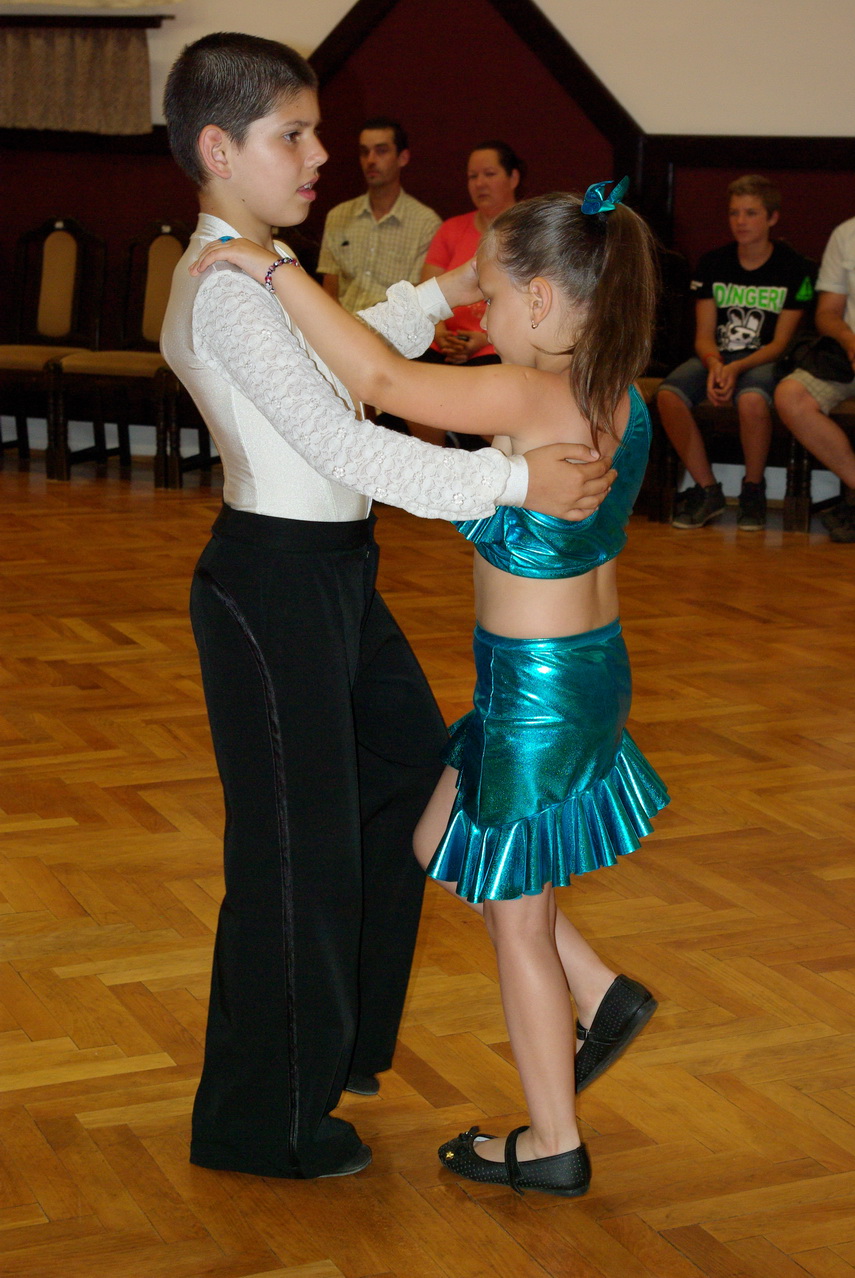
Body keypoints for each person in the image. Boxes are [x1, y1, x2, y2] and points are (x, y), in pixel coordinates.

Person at [160, 32, 617, 1183]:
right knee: (293, 852)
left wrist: (449, 289)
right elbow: (346, 440)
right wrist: (510, 480)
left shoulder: (264, 264)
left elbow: (353, 353)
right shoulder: (225, 287)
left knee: (414, 779)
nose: (321, 155)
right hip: (272, 586)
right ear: (219, 149)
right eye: (295, 135)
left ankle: (351, 1038)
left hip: (331, 581)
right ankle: (261, 1122)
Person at [657, 175, 814, 530]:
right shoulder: (714, 263)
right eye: (734, 213)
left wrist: (736, 368)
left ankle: (752, 490)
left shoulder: (794, 268)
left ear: (772, 218)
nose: (741, 221)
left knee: (752, 400)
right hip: (717, 357)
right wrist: (715, 364)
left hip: (765, 359)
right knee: (668, 395)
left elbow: (780, 344)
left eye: (751, 213)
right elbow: (702, 336)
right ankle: (707, 489)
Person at [407, 141, 523, 445]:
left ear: (513, 178)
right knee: (409, 375)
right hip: (444, 341)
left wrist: (485, 339)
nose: (480, 183)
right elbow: (428, 292)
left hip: (495, 345)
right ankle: (437, 458)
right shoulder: (451, 229)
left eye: (489, 174)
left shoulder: (529, 232)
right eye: (473, 176)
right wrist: (440, 332)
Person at [775, 215, 855, 542]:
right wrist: (850, 341)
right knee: (790, 396)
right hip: (848, 353)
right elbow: (827, 313)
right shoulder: (846, 234)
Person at [318, 116, 440, 313]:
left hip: (393, 328)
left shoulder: (425, 223)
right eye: (364, 152)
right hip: (341, 322)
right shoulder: (339, 216)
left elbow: (418, 302)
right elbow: (330, 292)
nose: (371, 160)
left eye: (381, 151)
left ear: (403, 158)